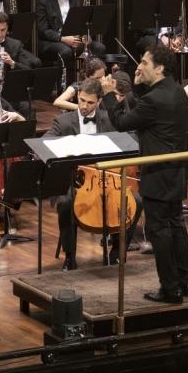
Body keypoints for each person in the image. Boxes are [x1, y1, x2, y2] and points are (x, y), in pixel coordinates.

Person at [102, 44, 188, 303]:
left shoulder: (155, 100)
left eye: (144, 63)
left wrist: (109, 95)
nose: (139, 66)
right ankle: (184, 281)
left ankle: (170, 288)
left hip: (157, 172)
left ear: (159, 68)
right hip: (176, 169)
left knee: (158, 230)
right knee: (176, 225)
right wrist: (138, 82)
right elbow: (148, 99)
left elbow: (121, 123)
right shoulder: (176, 90)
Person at [49, 78, 120, 270]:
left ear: (99, 101)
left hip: (106, 178)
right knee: (65, 203)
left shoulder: (109, 119)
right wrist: (69, 147)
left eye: (90, 102)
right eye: (81, 100)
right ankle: (70, 257)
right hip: (75, 181)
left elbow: (129, 138)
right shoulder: (63, 122)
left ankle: (117, 253)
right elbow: (45, 144)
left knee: (135, 201)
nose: (84, 106)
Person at [36, 0, 106, 83]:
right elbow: (43, 30)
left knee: (99, 48)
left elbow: (83, 22)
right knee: (66, 52)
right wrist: (63, 38)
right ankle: (65, 88)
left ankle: (92, 85)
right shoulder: (43, 0)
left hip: (75, 40)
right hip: (52, 42)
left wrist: (85, 35)